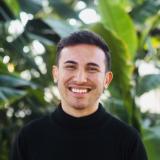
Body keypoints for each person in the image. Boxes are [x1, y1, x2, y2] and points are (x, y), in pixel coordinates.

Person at [10, 30, 148, 160]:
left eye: (92, 69)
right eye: (70, 67)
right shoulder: (29, 138)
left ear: (106, 80)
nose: (80, 79)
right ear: (56, 74)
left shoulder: (128, 141)